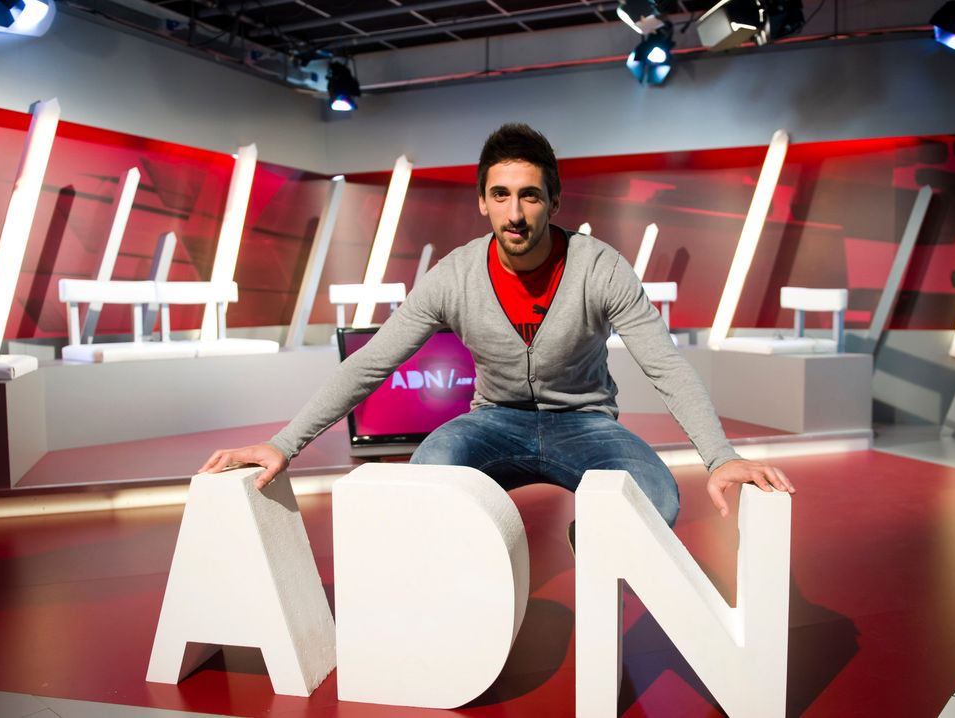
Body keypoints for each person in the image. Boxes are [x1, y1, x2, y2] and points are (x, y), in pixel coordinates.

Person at [199, 123, 794, 522]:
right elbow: (371, 363)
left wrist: (720, 457)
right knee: (428, 475)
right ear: (482, 201)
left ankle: (594, 557)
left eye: (530, 196)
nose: (515, 213)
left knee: (656, 500)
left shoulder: (600, 267)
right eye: (501, 195)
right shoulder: (454, 277)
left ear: (554, 202)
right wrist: (283, 444)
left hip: (586, 423)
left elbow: (664, 365)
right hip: (493, 422)